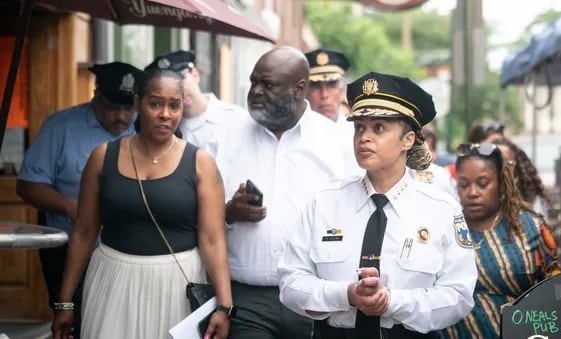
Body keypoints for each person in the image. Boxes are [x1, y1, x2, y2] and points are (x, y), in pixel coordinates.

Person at [278, 71, 477, 338]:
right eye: (359, 127)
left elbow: (459, 295)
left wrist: (391, 301)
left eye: (379, 128)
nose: (364, 137)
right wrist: (346, 294)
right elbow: (291, 283)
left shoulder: (441, 209)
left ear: (408, 139)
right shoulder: (325, 202)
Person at [51, 68, 234, 339]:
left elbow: (213, 239)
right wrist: (65, 303)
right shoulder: (103, 157)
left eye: (174, 105)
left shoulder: (200, 163)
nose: (165, 114)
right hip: (111, 280)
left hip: (176, 286)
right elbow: (84, 232)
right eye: (155, 103)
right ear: (137, 103)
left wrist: (224, 306)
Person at [209, 47, 353, 339]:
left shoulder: (338, 144)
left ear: (299, 88)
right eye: (253, 83)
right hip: (246, 301)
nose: (256, 92)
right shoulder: (224, 139)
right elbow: (199, 215)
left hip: (315, 301)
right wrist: (228, 213)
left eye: (268, 85)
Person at [16, 61, 143, 337]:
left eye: (129, 108)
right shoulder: (61, 127)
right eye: (113, 107)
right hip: (72, 251)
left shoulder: (147, 130)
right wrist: (73, 208)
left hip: (130, 254)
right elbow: (28, 186)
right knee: (78, 328)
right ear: (95, 94)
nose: (122, 117)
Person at [443, 142, 560, 339]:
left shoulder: (530, 227)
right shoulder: (446, 230)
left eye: (482, 184)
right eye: (464, 184)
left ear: (501, 183)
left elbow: (554, 290)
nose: (472, 192)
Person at [145, 50, 248, 151]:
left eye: (180, 81)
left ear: (195, 75)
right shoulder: (162, 126)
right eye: (167, 87)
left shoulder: (236, 119)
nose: (177, 90)